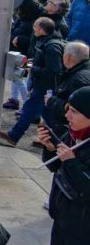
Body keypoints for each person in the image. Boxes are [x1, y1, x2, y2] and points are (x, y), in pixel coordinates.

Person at [1, 16, 65, 147]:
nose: (33, 29)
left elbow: (53, 71)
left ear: (41, 29)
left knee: (29, 110)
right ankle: (56, 140)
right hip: (43, 85)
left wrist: (32, 68)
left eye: (35, 27)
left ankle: (14, 136)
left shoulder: (51, 46)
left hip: (45, 86)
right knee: (48, 115)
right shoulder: (45, 42)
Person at [37, 86, 90, 244]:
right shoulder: (73, 134)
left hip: (82, 229)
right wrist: (50, 149)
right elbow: (55, 168)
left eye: (74, 111)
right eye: (68, 109)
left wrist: (71, 161)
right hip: (63, 218)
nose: (67, 115)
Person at [44, 41, 90, 137]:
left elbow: (77, 109)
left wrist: (51, 101)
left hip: (67, 132)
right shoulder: (79, 71)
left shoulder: (79, 79)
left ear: (68, 57)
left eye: (63, 54)